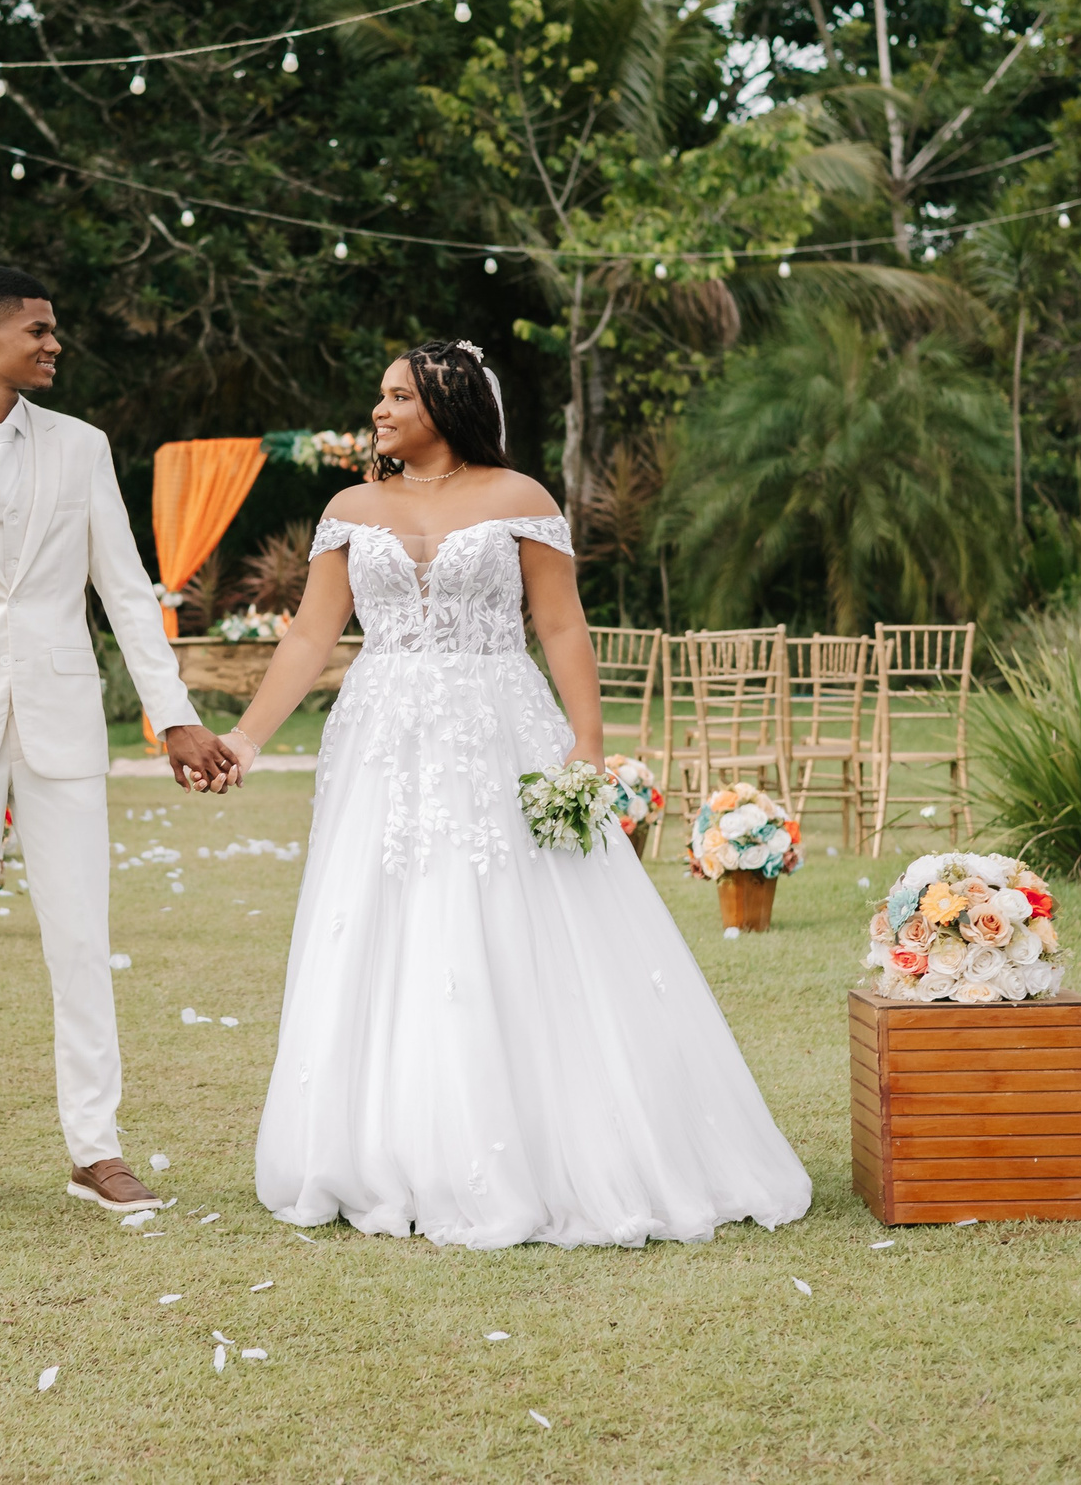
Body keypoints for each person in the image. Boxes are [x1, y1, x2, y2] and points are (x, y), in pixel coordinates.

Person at [217, 340, 813, 1247]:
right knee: (381, 916)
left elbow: (561, 621)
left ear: (447, 404)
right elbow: (308, 638)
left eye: (395, 396)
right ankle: (381, 1146)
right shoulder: (350, 506)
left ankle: (539, 1143)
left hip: (498, 725)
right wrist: (246, 738)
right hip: (381, 738)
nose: (377, 411)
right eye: (379, 397)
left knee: (504, 910)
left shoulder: (519, 499)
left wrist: (587, 746)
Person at [0, 266, 238, 1221]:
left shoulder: (83, 449)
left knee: (81, 935)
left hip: (64, 721)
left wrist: (173, 713)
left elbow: (123, 587)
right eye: (38, 328)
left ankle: (96, 1148)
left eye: (54, 329)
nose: (54, 342)